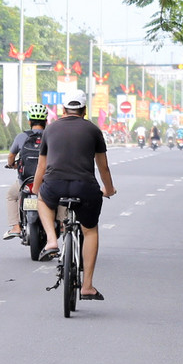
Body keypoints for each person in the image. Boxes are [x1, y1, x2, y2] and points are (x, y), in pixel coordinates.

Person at [31, 90, 115, 300]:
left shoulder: (50, 130)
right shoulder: (93, 130)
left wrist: (35, 189)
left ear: (63, 110)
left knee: (42, 200)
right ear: (84, 110)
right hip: (85, 188)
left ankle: (51, 240)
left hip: (54, 185)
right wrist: (109, 189)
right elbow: (103, 167)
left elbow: (42, 165)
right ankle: (87, 286)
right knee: (90, 231)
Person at [3, 103, 48, 239]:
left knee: (11, 195)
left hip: (25, 181)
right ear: (46, 121)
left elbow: (11, 156)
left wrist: (12, 165)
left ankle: (15, 227)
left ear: (29, 121)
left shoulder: (21, 137)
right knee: (59, 196)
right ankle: (62, 225)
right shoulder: (51, 136)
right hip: (46, 181)